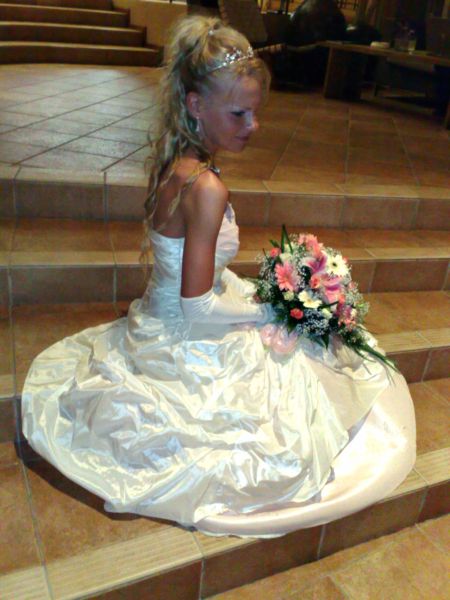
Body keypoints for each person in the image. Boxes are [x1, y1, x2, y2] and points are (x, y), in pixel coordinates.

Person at [22, 16, 415, 536]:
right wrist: (271, 307)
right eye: (239, 113)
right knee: (294, 392)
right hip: (188, 327)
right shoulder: (207, 188)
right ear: (195, 105)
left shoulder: (176, 163)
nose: (253, 125)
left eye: (255, 112)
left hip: (160, 314)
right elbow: (198, 307)